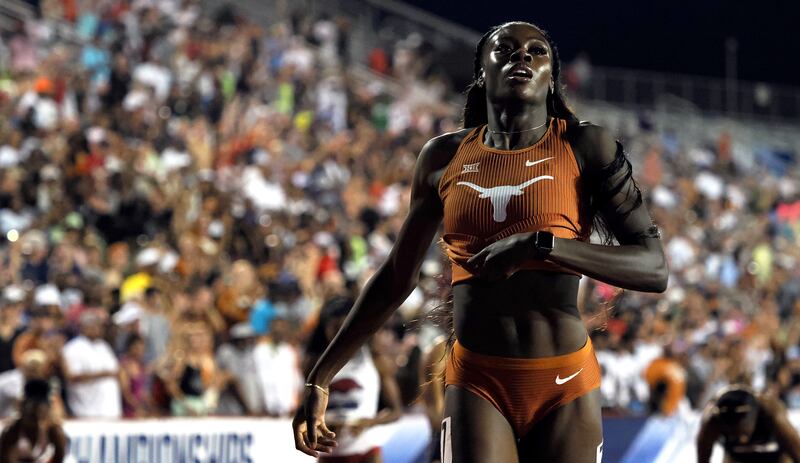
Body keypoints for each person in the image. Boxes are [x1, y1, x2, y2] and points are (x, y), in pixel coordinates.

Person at [293, 21, 667, 462]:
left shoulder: (586, 144)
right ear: (481, 73)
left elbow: (653, 267)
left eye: (537, 51)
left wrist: (541, 245)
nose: (521, 56)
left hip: (564, 380)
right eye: (505, 49)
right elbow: (396, 276)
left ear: (551, 78)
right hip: (477, 380)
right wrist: (321, 376)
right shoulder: (442, 156)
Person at [304, 297, 403, 463]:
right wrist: (323, 423)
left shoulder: (375, 359)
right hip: (329, 454)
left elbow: (396, 411)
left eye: (341, 328)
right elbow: (305, 411)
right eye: (333, 328)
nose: (338, 335)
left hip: (366, 451)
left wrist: (370, 422)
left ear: (352, 328)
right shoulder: (314, 364)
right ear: (325, 329)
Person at [696, 385, 800, 463]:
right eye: (733, 435)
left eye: (744, 433)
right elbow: (703, 458)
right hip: (736, 456)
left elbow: (797, 453)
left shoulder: (772, 414)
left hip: (777, 455)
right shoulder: (711, 421)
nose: (742, 440)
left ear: (753, 418)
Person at [0, 379, 67, 463]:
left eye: (40, 416)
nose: (36, 421)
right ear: (23, 407)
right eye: (32, 416)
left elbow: (60, 458)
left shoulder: (55, 432)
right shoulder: (11, 431)